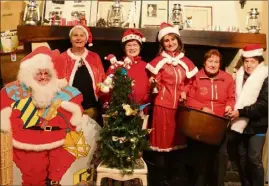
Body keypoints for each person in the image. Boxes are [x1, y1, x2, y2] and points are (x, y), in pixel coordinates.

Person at [0, 46, 91, 186]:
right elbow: (6, 113)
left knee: (58, 172)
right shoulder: (13, 92)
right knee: (34, 177)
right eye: (39, 73)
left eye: (47, 73)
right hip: (28, 142)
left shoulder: (66, 93)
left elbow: (74, 111)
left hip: (58, 139)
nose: (43, 77)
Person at [145, 22, 198, 184]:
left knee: (178, 143)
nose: (170, 43)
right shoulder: (158, 61)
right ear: (162, 44)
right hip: (162, 106)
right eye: (166, 40)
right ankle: (160, 179)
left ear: (178, 41)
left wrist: (184, 92)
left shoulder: (186, 62)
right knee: (162, 143)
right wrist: (153, 83)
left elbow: (191, 83)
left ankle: (175, 178)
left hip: (180, 108)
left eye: (172, 39)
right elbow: (153, 84)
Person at [186, 49, 235, 186]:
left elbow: (231, 98)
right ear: (204, 62)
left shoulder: (228, 78)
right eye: (210, 61)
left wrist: (229, 106)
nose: (213, 64)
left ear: (220, 64)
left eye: (216, 62)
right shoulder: (196, 77)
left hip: (220, 125)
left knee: (219, 160)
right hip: (201, 125)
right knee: (201, 161)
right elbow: (189, 99)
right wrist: (203, 107)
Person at [228, 44, 268, 186]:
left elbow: (264, 105)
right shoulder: (239, 76)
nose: (249, 65)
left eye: (252, 61)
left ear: (259, 62)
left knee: (254, 158)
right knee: (242, 157)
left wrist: (240, 112)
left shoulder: (265, 76)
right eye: (246, 61)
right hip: (240, 124)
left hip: (258, 125)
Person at [61, 25, 105, 124]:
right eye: (75, 35)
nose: (78, 38)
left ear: (86, 39)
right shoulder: (62, 58)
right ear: (70, 39)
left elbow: (102, 81)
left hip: (91, 110)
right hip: (68, 110)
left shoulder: (95, 57)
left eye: (82, 35)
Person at [104, 28, 149, 106]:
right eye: (129, 45)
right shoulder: (116, 66)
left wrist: (145, 101)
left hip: (141, 109)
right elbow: (105, 88)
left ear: (140, 47)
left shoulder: (146, 66)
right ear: (124, 49)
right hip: (118, 110)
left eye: (135, 45)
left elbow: (150, 88)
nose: (132, 48)